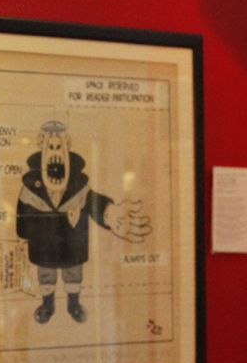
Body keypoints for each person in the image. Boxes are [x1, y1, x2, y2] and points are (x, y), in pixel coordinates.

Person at [14, 120, 150, 324]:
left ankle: (73, 303)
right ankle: (47, 304)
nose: (55, 151)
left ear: (67, 145)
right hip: (44, 245)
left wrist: (109, 212)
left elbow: (93, 201)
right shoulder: (30, 188)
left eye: (59, 146)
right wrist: (23, 234)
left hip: (71, 243)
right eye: (50, 146)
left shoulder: (78, 186)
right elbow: (22, 218)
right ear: (42, 145)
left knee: (73, 273)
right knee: (46, 274)